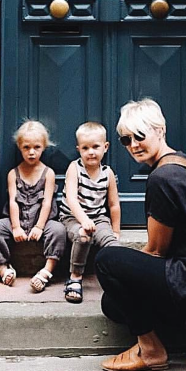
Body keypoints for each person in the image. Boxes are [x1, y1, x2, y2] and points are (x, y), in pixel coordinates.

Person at [95, 99, 186, 371]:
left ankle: (150, 350)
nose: (133, 145)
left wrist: (126, 273)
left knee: (107, 261)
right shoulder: (183, 162)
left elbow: (157, 250)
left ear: (160, 130)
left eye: (140, 136)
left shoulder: (162, 178)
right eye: (126, 140)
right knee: (112, 304)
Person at [0, 120, 66, 291]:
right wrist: (15, 227)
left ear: (44, 147)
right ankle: (1, 268)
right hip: (18, 221)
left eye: (36, 147)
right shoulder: (13, 174)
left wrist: (39, 226)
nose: (31, 152)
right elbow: (13, 201)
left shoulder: (48, 173)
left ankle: (46, 270)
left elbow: (46, 202)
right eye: (26, 148)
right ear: (19, 147)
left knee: (59, 230)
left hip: (42, 222)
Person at [60, 122, 121, 303]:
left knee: (112, 244)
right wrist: (84, 220)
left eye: (95, 147)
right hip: (72, 217)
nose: (91, 152)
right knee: (83, 236)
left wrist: (116, 230)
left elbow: (114, 204)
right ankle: (75, 277)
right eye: (85, 148)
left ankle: (118, 278)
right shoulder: (75, 168)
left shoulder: (107, 173)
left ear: (105, 147)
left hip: (99, 218)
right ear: (79, 149)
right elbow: (71, 199)